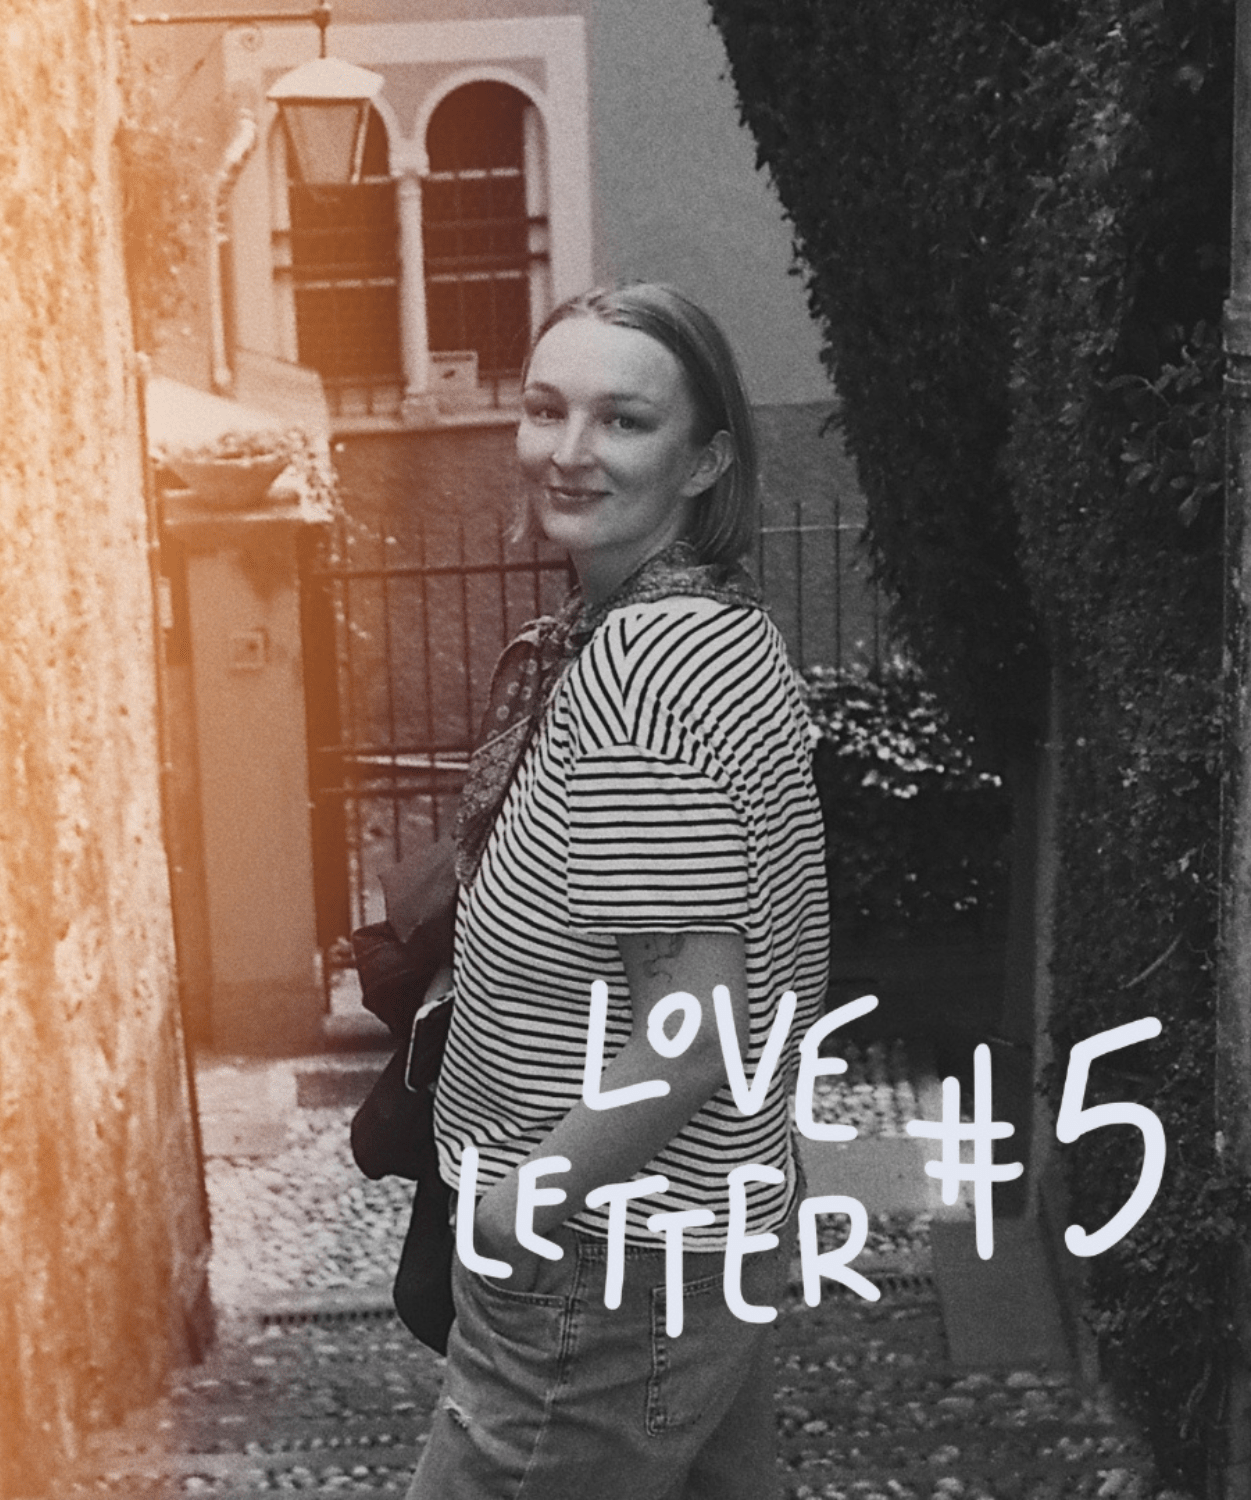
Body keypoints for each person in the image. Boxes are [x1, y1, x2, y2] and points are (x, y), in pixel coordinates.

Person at [406, 283, 830, 1500]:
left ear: (706, 461)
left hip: (605, 1258)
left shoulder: (642, 671)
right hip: (694, 1227)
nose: (570, 450)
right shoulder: (714, 631)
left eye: (624, 420)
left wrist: (518, 1206)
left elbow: (694, 1024)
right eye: (547, 409)